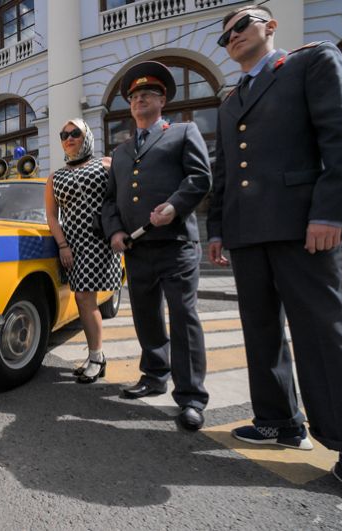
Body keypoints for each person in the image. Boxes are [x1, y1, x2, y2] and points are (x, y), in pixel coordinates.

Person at [206, 5, 342, 524]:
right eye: (224, 34)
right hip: (248, 234)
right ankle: (278, 421)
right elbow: (226, 169)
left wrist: (330, 213)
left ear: (270, 26)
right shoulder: (230, 101)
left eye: (241, 24)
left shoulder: (311, 62)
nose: (232, 36)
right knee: (260, 330)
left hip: (304, 228)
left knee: (321, 333)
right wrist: (219, 231)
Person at [102, 61, 212, 431]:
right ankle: (153, 375)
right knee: (146, 316)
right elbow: (110, 200)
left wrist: (176, 206)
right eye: (134, 96)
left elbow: (200, 178)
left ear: (162, 100)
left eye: (146, 94)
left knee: (183, 318)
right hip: (136, 249)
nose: (139, 100)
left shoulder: (183, 132)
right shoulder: (120, 151)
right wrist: (115, 232)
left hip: (175, 244)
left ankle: (192, 397)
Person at [45, 119, 123, 384]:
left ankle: (97, 357)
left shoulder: (106, 164)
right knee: (83, 300)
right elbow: (52, 218)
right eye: (64, 134)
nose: (69, 138)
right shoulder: (55, 177)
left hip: (101, 240)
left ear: (86, 135)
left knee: (86, 300)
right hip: (74, 244)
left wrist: (120, 232)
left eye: (75, 133)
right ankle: (95, 357)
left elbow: (120, 199)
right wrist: (63, 245)